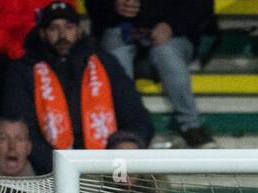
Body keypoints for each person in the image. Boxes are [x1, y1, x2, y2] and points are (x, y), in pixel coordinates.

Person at [1, 1, 153, 174]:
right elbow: (22, 129)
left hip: (107, 164)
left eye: (69, 27)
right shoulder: (24, 69)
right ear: (42, 33)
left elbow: (137, 117)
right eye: (54, 28)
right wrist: (64, 169)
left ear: (80, 30)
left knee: (152, 181)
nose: (62, 35)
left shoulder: (104, 62)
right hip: (49, 168)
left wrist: (127, 143)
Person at [88, 0, 215, 147]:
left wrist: (171, 25)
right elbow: (92, 6)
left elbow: (202, 6)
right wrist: (112, 6)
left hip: (173, 35)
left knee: (166, 53)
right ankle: (128, 127)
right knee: (116, 54)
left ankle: (192, 127)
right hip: (119, 31)